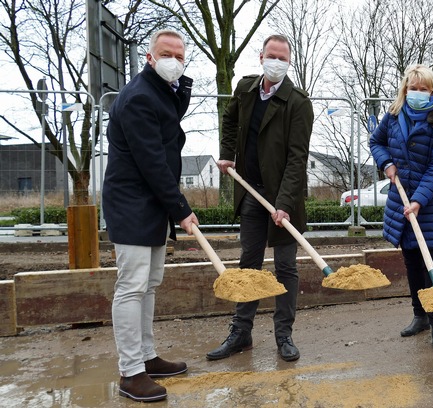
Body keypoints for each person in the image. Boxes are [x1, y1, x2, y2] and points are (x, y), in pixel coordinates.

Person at [102, 29, 199, 402]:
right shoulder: (138, 98)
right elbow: (152, 162)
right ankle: (131, 373)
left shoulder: (160, 92)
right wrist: (182, 209)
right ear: (149, 56)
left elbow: (171, 120)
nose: (174, 60)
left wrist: (173, 208)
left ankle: (146, 356)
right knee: (131, 286)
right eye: (166, 53)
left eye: (180, 55)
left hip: (153, 205)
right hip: (132, 204)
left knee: (150, 284)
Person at [208, 34, 314, 362]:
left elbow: (298, 158)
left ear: (289, 62)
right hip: (250, 191)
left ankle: (284, 335)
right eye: (272, 56)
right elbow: (229, 120)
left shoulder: (298, 102)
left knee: (285, 267)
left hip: (284, 196)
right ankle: (241, 334)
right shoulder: (245, 89)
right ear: (261, 56)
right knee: (249, 264)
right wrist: (227, 154)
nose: (277, 62)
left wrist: (283, 203)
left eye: (283, 58)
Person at [369, 64, 433, 352]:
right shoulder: (394, 116)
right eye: (412, 87)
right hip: (401, 201)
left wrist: (419, 200)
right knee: (412, 263)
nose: (417, 93)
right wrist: (386, 163)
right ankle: (419, 315)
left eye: (423, 88)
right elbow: (376, 141)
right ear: (405, 89)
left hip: (431, 204)